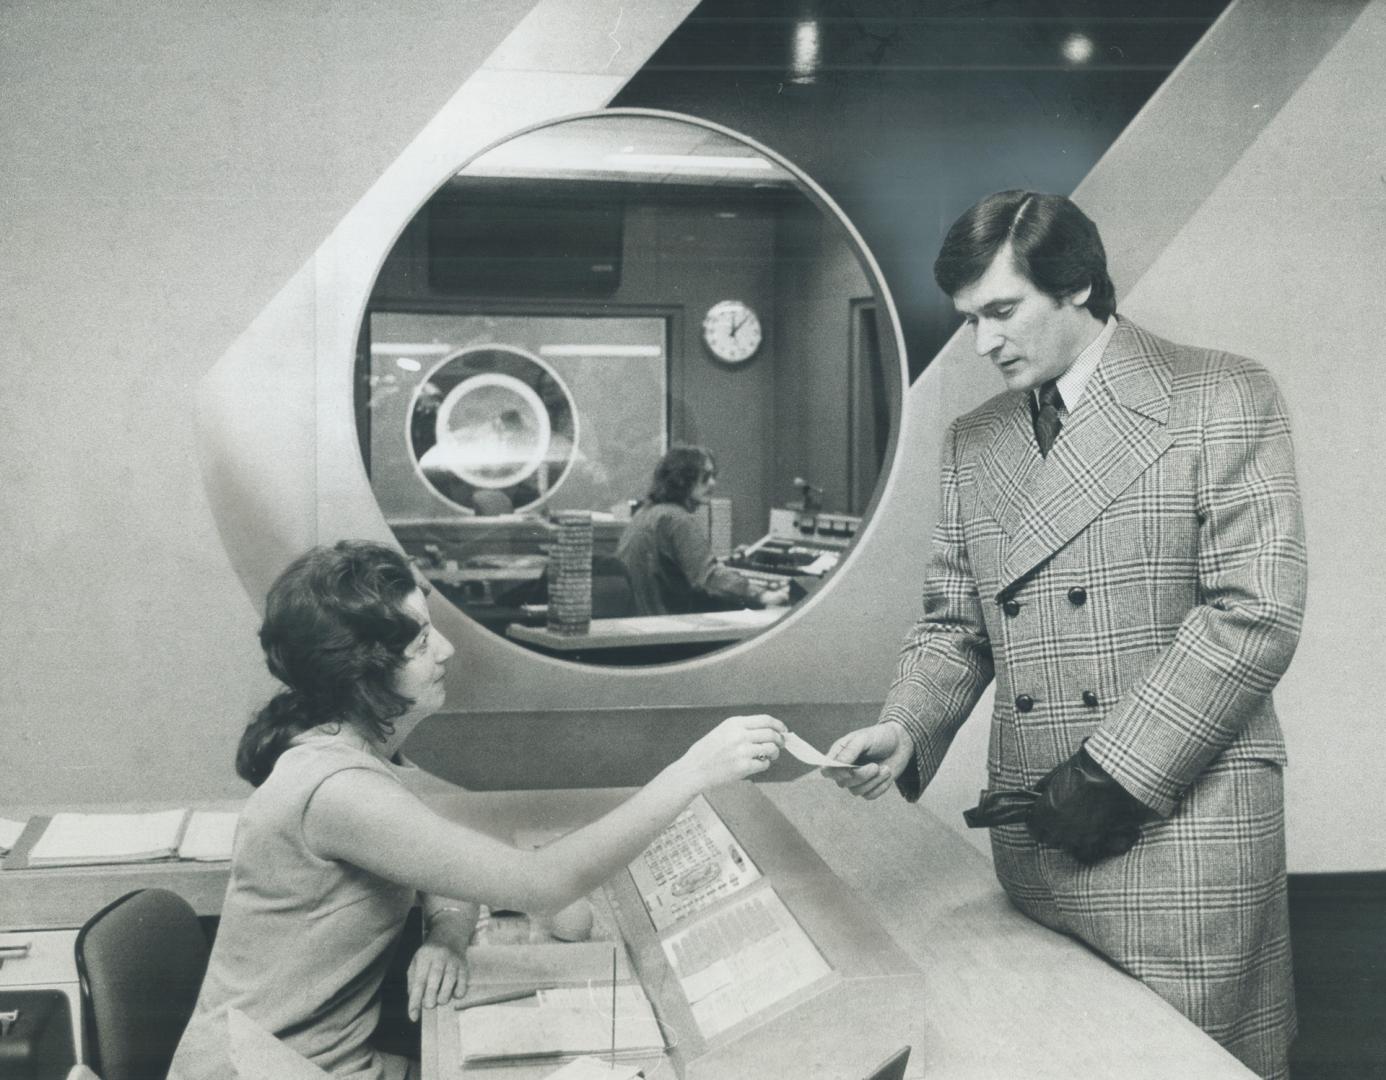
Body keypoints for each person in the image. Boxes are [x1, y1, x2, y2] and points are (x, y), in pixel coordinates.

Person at [824, 191, 1306, 1080]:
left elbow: (1255, 612)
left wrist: (1111, 775)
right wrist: (905, 727)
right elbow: (953, 624)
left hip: (1176, 837)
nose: (984, 344)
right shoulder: (978, 440)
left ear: (1078, 283)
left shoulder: (1222, 395)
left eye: (1001, 312)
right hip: (1043, 846)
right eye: (969, 321)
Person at [169, 540, 785, 1079]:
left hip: (328, 1062)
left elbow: (440, 863)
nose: (447, 648)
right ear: (360, 672)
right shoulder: (336, 789)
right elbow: (542, 885)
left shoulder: (352, 751)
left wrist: (446, 933)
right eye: (417, 641)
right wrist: (692, 773)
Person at [617, 445, 790, 615]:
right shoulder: (677, 519)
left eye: (714, 476)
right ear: (682, 479)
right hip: (667, 624)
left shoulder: (647, 512)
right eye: (705, 477)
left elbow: (676, 565)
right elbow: (709, 577)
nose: (713, 483)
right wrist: (763, 594)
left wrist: (727, 560)